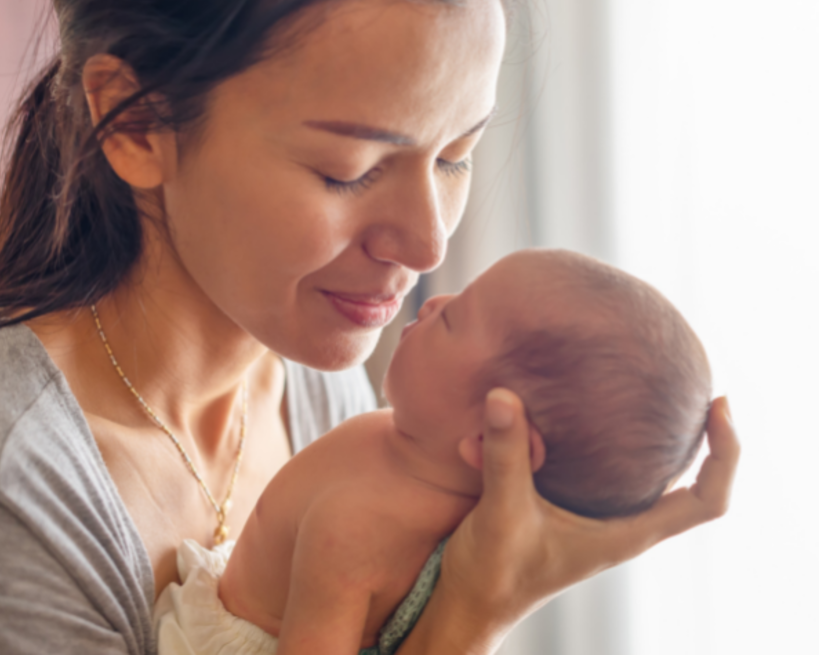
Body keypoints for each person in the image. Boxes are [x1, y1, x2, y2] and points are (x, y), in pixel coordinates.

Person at [0, 0, 739, 654]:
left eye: (456, 156)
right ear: (134, 122)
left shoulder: (322, 395)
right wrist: (475, 610)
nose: (426, 248)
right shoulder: (20, 485)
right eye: (348, 170)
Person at [153, 248, 713, 654]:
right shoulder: (424, 460)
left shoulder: (358, 526)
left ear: (493, 438)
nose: (433, 300)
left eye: (453, 318)